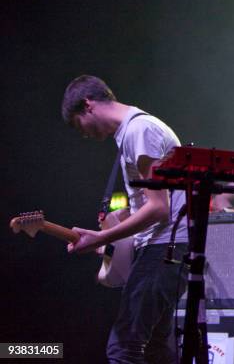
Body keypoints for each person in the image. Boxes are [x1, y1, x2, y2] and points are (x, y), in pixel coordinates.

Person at [61, 75, 188, 364]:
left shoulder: (139, 130)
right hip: (164, 247)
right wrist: (100, 234)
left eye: (78, 124)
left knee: (123, 349)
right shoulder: (132, 133)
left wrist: (104, 238)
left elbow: (159, 209)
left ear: (87, 105)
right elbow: (149, 203)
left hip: (164, 247)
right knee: (156, 349)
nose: (84, 134)